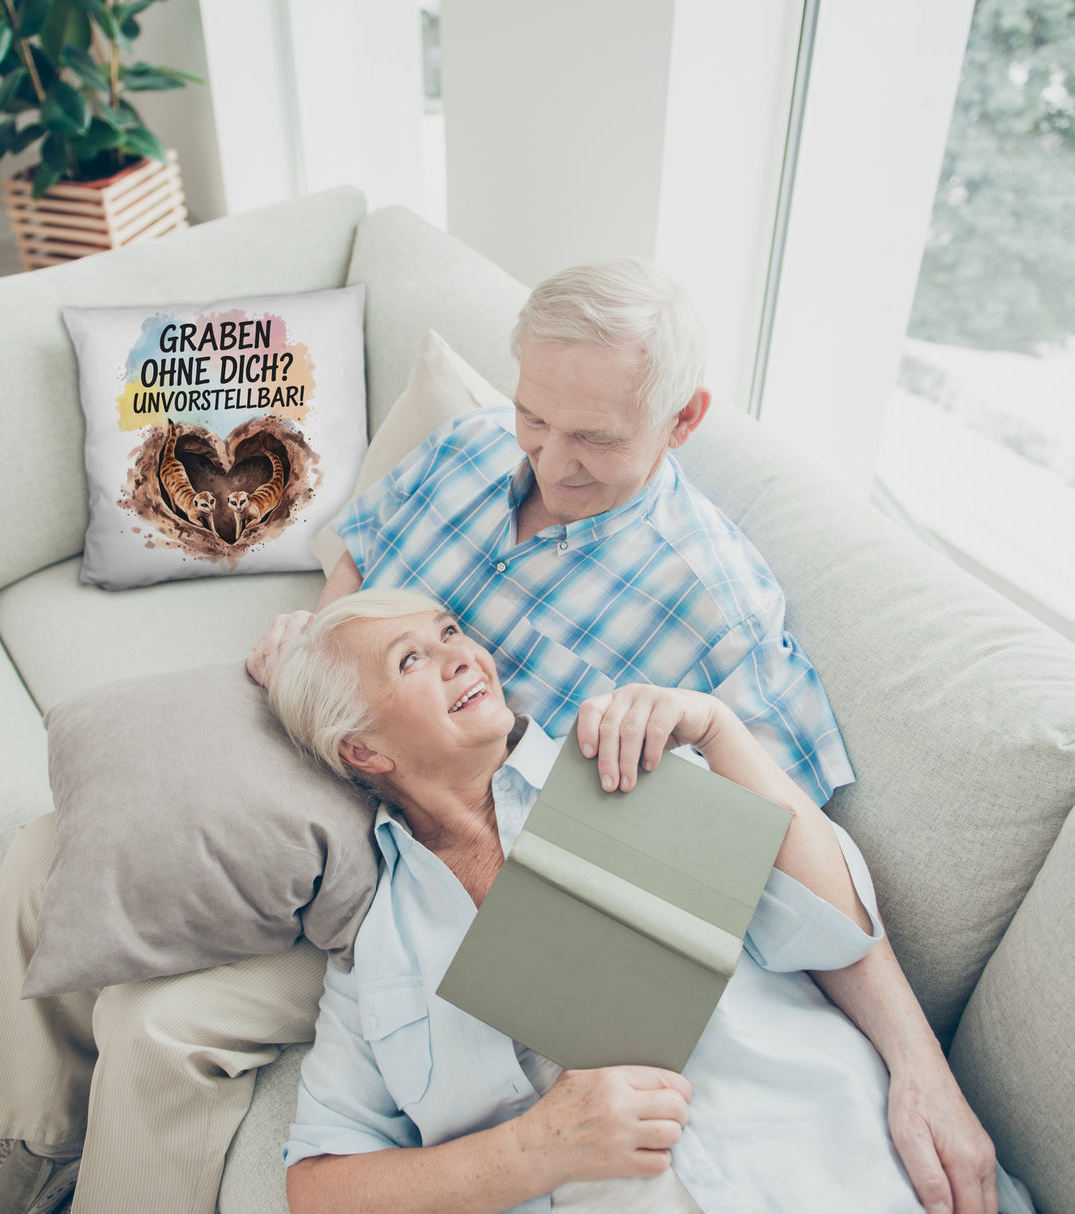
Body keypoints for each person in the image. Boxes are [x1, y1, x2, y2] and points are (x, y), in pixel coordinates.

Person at [250, 259, 997, 1213]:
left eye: (593, 438)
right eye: (535, 418)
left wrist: (919, 1069)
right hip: (353, 834)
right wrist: (322, 660)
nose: (550, 462)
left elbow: (805, 886)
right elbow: (361, 554)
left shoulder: (690, 664)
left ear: (683, 420)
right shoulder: (469, 450)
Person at [268, 589, 1021, 1214]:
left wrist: (719, 730)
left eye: (450, 632)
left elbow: (833, 929)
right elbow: (319, 1188)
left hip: (845, 1166)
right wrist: (535, 1149)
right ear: (363, 750)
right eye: (411, 659)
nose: (462, 655)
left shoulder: (623, 762)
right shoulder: (377, 951)